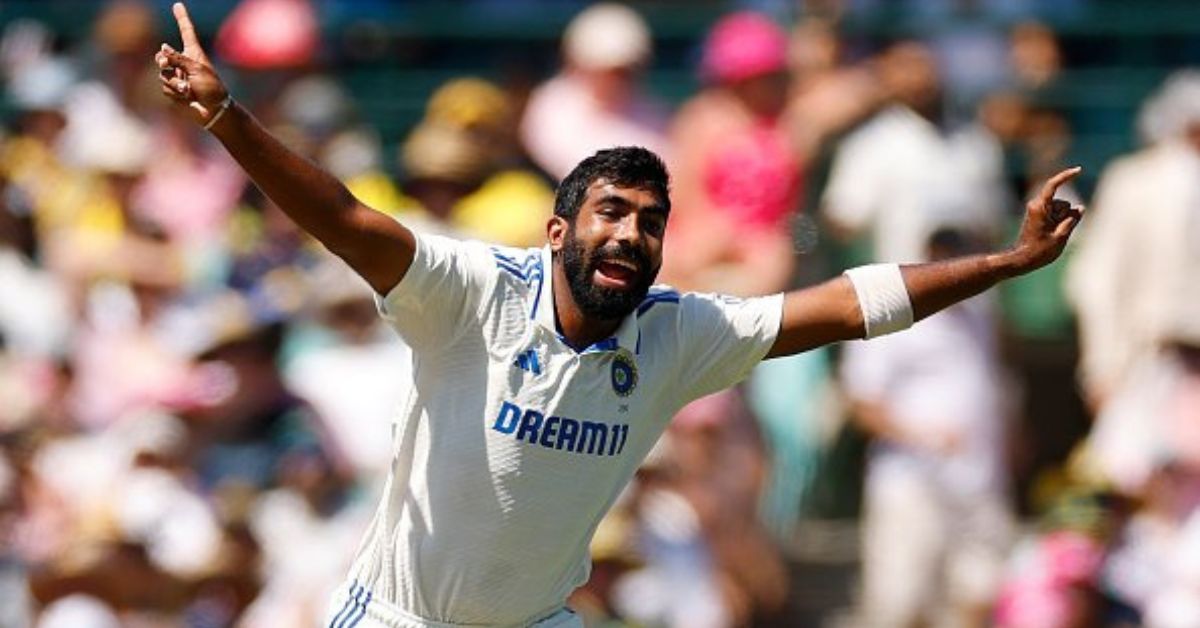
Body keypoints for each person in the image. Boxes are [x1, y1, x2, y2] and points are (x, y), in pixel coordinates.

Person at [155, 4, 1085, 626]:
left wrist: (1010, 260)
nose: (632, 234)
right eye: (611, 212)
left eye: (650, 221)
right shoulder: (472, 294)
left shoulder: (678, 335)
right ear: (559, 229)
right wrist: (229, 117)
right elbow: (347, 219)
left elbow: (848, 305)